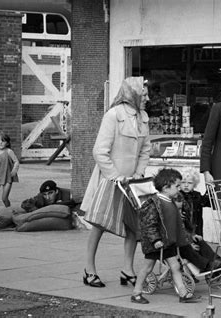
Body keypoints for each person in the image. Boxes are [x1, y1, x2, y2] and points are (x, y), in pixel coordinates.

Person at [81, 76, 151, 288]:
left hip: (132, 182)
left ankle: (127, 270)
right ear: (133, 94)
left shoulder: (143, 117)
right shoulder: (113, 115)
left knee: (133, 227)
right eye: (144, 93)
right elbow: (99, 152)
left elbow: (145, 149)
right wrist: (116, 176)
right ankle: (89, 270)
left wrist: (138, 174)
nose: (147, 97)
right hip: (111, 180)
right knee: (99, 224)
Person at [132, 168, 199, 304]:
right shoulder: (154, 204)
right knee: (147, 268)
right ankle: (136, 293)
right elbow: (149, 224)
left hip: (168, 243)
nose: (179, 189)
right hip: (156, 244)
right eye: (177, 186)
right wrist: (155, 239)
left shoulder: (171, 202)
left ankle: (183, 293)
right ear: (166, 187)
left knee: (175, 267)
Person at [0, 180, 75, 232]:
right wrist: (35, 211)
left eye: (50, 193)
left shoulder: (67, 195)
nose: (48, 197)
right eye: (45, 194)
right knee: (7, 216)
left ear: (56, 191)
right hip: (30, 214)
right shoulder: (40, 198)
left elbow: (74, 202)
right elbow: (26, 203)